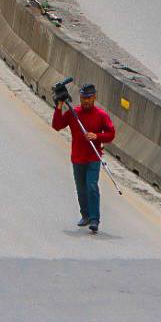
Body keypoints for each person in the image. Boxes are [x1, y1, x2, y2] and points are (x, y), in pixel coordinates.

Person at [51, 83, 117, 234]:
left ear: (94, 97)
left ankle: (94, 220)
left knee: (92, 186)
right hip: (77, 158)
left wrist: (97, 136)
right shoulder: (74, 113)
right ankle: (85, 215)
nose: (85, 101)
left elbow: (111, 134)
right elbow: (57, 125)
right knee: (81, 189)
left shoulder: (101, 115)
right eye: (83, 98)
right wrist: (59, 107)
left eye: (88, 98)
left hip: (93, 157)